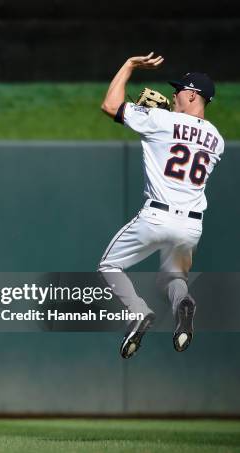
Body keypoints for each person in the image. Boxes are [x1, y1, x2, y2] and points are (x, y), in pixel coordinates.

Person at [98, 53, 224, 359]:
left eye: (180, 89)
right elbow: (187, 133)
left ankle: (139, 313)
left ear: (193, 95)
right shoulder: (216, 139)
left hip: (156, 217)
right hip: (191, 227)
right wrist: (170, 116)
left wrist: (128, 65)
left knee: (108, 266)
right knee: (172, 278)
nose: (173, 93)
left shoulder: (160, 120)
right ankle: (183, 303)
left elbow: (110, 106)